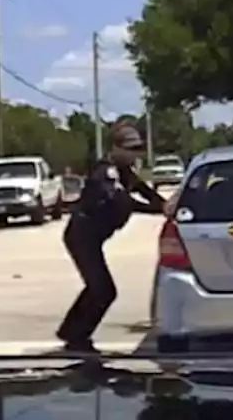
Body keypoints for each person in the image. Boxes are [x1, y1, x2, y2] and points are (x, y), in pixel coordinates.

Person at [56, 120, 168, 353]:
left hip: (92, 238)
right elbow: (122, 201)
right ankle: (77, 339)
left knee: (98, 288)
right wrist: (157, 210)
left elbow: (144, 191)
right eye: (129, 148)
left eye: (137, 148)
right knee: (103, 289)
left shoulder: (125, 173)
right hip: (81, 236)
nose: (134, 153)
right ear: (115, 149)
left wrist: (165, 205)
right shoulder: (105, 172)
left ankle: (71, 332)